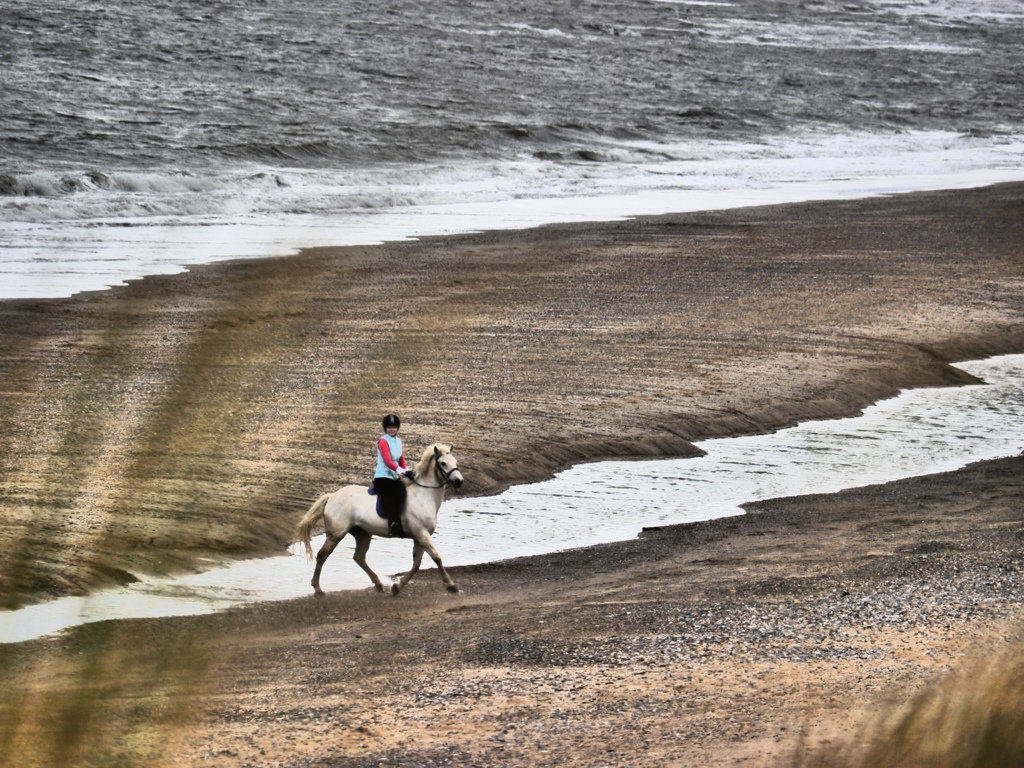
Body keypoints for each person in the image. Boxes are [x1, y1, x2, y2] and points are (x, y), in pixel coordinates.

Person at [373, 414, 413, 537]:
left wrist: (407, 469)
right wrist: (401, 471)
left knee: (403, 491)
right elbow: (388, 461)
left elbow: (401, 459)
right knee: (393, 494)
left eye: (394, 427)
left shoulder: (399, 442)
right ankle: (393, 524)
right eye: (389, 427)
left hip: (394, 476)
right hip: (382, 477)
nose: (392, 429)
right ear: (385, 428)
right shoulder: (383, 441)